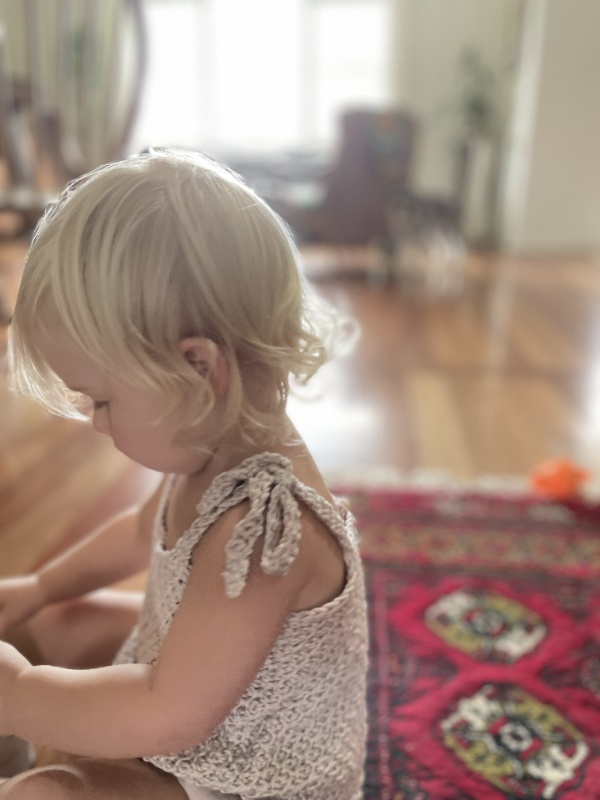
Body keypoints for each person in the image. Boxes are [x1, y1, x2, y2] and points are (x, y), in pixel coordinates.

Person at [0, 149, 368, 800]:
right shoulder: (214, 444)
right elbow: (137, 530)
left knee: (46, 793)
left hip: (242, 783)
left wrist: (22, 697)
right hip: (208, 711)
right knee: (58, 624)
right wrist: (40, 585)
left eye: (102, 400)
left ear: (196, 369)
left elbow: (168, 715)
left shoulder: (262, 533)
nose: (95, 422)